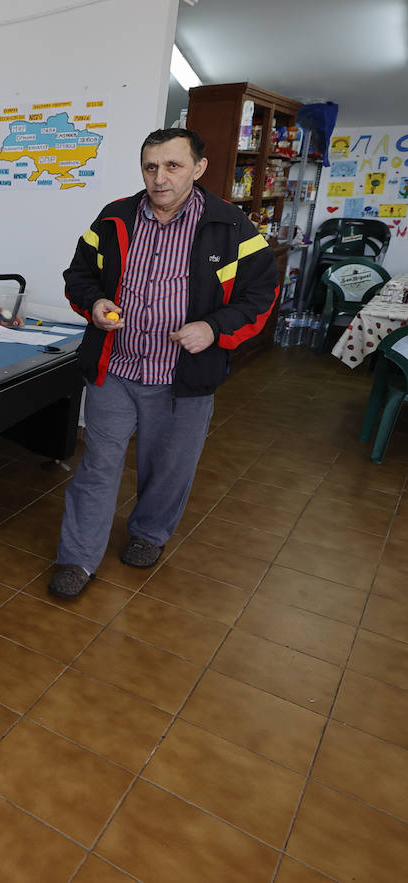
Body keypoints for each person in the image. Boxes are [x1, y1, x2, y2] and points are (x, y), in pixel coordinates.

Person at [48, 128, 278, 598]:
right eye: (151, 167)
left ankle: (149, 534)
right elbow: (79, 276)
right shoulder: (114, 218)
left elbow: (263, 295)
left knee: (169, 467)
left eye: (172, 166)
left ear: (199, 168)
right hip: (116, 369)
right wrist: (94, 305)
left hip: (182, 379)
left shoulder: (232, 227)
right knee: (98, 467)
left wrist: (213, 328)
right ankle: (77, 559)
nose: (160, 178)